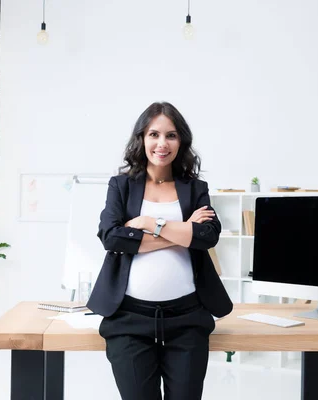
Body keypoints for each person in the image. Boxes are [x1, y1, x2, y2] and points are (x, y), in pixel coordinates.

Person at [87, 101, 233, 400]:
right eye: (154, 134)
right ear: (142, 138)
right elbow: (112, 237)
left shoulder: (195, 188)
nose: (162, 144)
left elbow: (207, 236)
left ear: (182, 141)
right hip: (129, 320)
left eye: (171, 135)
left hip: (188, 319)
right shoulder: (121, 186)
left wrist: (148, 223)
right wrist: (181, 231)